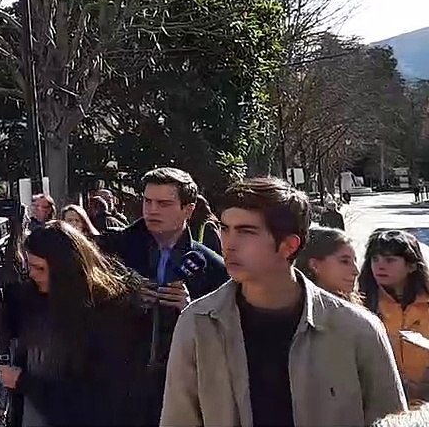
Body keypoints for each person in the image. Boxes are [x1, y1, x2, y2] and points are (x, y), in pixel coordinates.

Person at [162, 178, 406, 427]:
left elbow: (392, 419)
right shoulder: (198, 323)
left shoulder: (357, 330)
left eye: (246, 232)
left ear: (289, 246)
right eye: (225, 229)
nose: (229, 244)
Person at [97, 167, 226, 424]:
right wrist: (124, 297)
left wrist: (190, 309)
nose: (152, 210)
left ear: (188, 210)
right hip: (115, 392)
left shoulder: (213, 267)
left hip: (181, 393)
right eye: (147, 201)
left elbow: (224, 335)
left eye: (164, 204)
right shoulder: (110, 251)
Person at [0, 222, 150, 426]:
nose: (32, 274)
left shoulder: (108, 313)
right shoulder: (33, 299)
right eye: (30, 266)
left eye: (40, 268)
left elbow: (96, 399)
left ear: (65, 269)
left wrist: (23, 382)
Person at [360, 230, 429, 403]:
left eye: (390, 260)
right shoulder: (362, 306)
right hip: (382, 402)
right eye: (375, 259)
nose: (380, 266)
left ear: (412, 266)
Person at [295, 227, 361, 301]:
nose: (356, 271)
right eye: (345, 261)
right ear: (314, 265)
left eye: (355, 261)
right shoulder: (295, 305)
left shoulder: (350, 308)